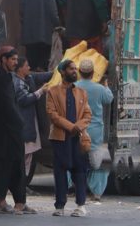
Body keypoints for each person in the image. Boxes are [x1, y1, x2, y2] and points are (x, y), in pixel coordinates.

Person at [0, 49, 35, 215]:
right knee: (4, 166)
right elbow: (6, 105)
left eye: (16, 59)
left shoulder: (6, 77)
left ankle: (20, 201)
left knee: (16, 166)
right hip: (3, 131)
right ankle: (2, 202)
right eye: (12, 59)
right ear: (4, 60)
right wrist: (19, 122)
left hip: (10, 130)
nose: (15, 62)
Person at [47, 59, 92, 217]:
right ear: (62, 71)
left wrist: (78, 126)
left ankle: (80, 205)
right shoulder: (52, 92)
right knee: (60, 171)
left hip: (77, 138)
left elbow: (87, 114)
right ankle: (60, 206)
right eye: (71, 69)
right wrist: (70, 126)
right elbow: (53, 115)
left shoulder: (81, 93)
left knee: (80, 171)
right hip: (60, 138)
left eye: (75, 68)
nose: (75, 71)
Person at [74, 59, 114, 201]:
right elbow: (109, 99)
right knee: (98, 162)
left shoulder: (74, 87)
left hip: (76, 129)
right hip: (95, 130)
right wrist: (107, 86)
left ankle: (69, 187)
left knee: (73, 158)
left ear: (79, 72)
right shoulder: (99, 89)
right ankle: (96, 192)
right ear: (93, 73)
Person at [12, 56, 50, 178]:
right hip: (23, 125)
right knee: (23, 155)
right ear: (19, 69)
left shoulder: (28, 78)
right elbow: (24, 99)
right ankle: (19, 182)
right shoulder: (17, 83)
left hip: (29, 124)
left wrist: (59, 71)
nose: (29, 68)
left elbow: (43, 76)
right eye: (26, 66)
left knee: (28, 155)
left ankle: (22, 182)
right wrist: (40, 91)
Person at [20, 0, 60, 71]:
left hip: (29, 34)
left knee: (31, 63)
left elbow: (22, 12)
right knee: (43, 62)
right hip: (44, 34)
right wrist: (57, 24)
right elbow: (53, 11)